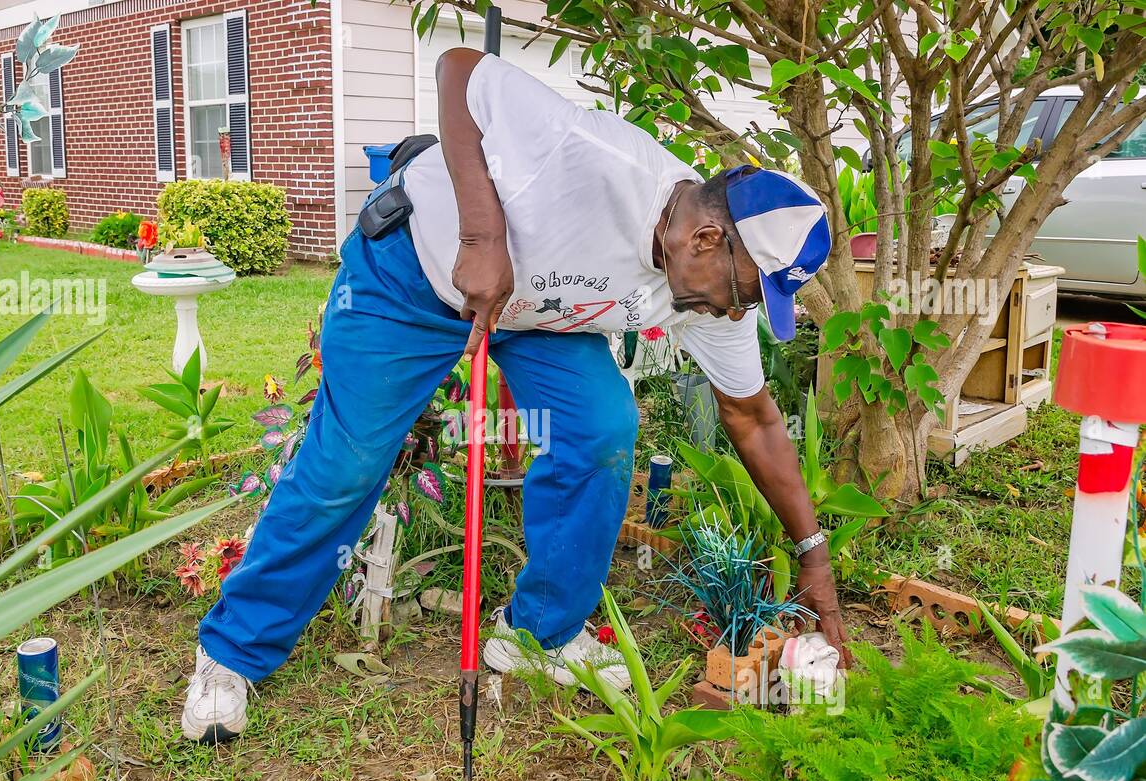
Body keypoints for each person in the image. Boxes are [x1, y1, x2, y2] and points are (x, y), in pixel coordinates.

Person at [181, 48, 846, 742]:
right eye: (744, 292)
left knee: (601, 427)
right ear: (706, 238)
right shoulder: (592, 156)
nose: (737, 313)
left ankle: (537, 634)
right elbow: (460, 71)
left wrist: (813, 551)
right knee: (346, 465)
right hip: (415, 275)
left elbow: (753, 417)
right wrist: (484, 234)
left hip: (533, 314)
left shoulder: (701, 295)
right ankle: (231, 652)